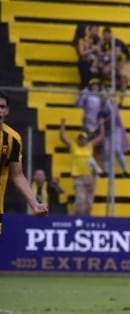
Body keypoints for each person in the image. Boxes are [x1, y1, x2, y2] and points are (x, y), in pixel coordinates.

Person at [0, 92, 48, 236]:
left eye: (2, 106)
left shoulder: (13, 139)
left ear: (7, 111)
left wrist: (35, 204)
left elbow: (18, 175)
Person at [59, 117, 105, 216]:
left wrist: (101, 124)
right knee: (80, 199)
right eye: (80, 138)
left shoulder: (90, 146)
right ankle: (76, 218)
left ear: (86, 139)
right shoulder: (74, 146)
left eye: (83, 138)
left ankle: (86, 219)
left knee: (89, 202)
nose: (81, 140)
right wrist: (62, 125)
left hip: (90, 177)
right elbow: (63, 137)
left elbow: (101, 137)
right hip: (79, 177)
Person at [97, 90, 130, 178]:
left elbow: (114, 115)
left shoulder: (110, 103)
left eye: (103, 96)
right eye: (101, 96)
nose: (102, 98)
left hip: (115, 128)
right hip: (107, 130)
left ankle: (125, 170)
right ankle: (107, 171)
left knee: (118, 150)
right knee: (106, 151)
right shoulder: (101, 106)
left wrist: (104, 120)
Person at [99, 28, 130, 100]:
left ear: (110, 34)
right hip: (116, 62)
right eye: (104, 35)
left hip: (126, 61)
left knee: (123, 77)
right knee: (104, 72)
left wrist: (109, 61)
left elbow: (117, 54)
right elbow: (100, 54)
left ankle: (122, 100)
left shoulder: (116, 41)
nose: (105, 37)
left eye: (106, 35)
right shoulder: (105, 44)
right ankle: (118, 84)